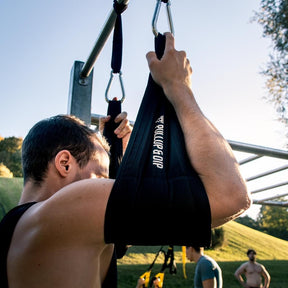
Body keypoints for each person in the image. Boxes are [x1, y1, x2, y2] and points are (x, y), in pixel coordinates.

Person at [0, 32, 250, 288]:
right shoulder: (66, 210)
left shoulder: (24, 228)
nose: (106, 183)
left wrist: (125, 159)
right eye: (100, 176)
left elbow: (124, 234)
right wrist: (179, 87)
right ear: (65, 163)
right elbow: (231, 196)